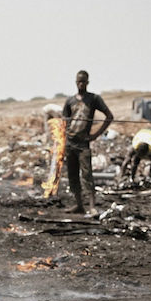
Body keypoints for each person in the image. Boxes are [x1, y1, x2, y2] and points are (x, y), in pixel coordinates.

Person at [60, 70, 114, 215]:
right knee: (72, 176)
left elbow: (109, 116)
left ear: (87, 82)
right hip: (70, 143)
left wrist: (95, 135)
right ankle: (79, 205)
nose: (81, 84)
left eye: (83, 81)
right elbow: (64, 122)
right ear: (75, 82)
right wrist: (62, 142)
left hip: (83, 144)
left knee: (87, 175)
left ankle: (92, 206)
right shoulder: (69, 101)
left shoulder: (94, 99)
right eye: (79, 81)